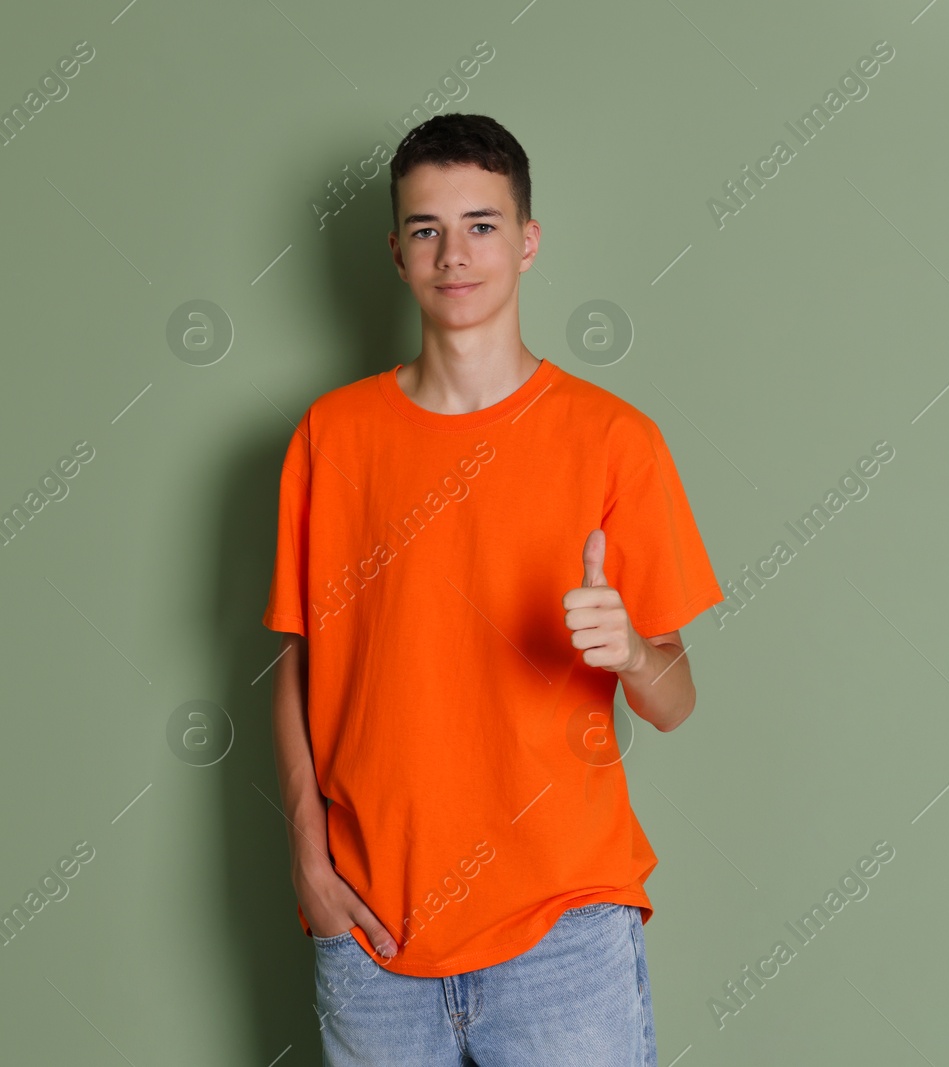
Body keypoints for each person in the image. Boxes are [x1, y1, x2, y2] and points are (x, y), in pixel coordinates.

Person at [262, 112, 723, 1066]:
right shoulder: (331, 438)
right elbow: (298, 661)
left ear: (527, 241)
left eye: (481, 223)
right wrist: (309, 855)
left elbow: (675, 701)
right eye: (427, 229)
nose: (455, 253)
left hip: (563, 931)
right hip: (371, 936)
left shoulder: (613, 440)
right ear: (396, 253)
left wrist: (633, 648)